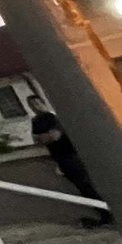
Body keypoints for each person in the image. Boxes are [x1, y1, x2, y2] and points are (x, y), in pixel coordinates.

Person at [29, 95, 107, 226]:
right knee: (82, 188)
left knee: (87, 185)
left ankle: (107, 213)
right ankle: (103, 214)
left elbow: (55, 136)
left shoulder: (53, 117)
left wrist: (46, 137)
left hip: (71, 155)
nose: (35, 106)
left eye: (37, 103)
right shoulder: (36, 121)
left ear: (43, 103)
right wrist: (45, 137)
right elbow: (36, 140)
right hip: (60, 158)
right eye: (32, 104)